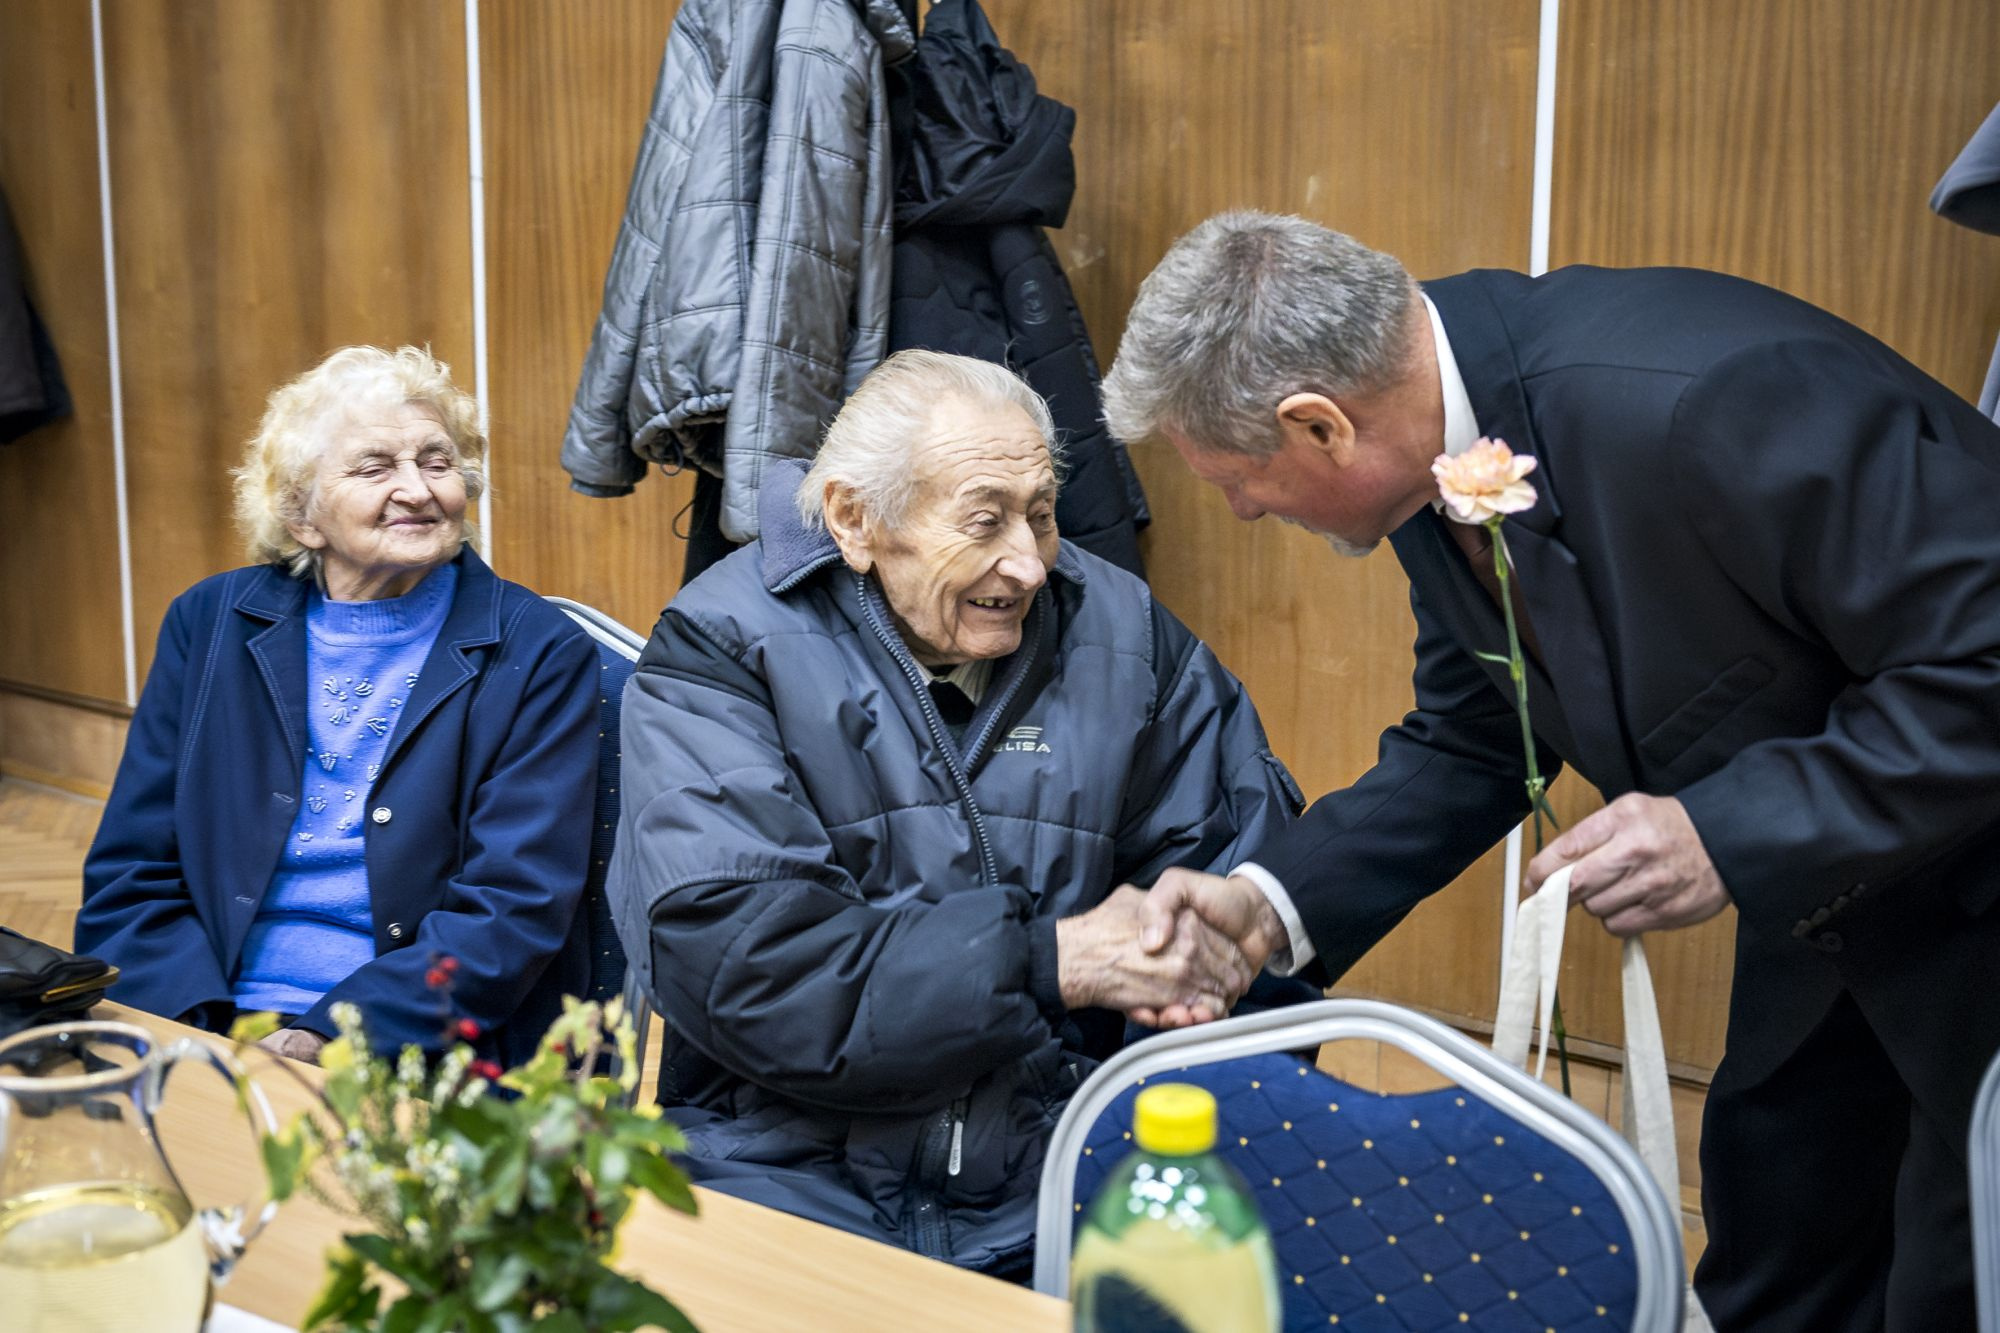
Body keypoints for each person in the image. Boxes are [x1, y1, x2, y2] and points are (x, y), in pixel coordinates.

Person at [1100, 212, 2000, 1332]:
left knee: (1951, 1288)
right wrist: (1266, 906)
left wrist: (1721, 832)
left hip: (1971, 897)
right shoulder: (1434, 466)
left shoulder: (1702, 398)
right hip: (1831, 910)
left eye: (1238, 480)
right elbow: (1475, 734)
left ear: (1318, 424)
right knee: (1774, 1276)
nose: (1243, 511)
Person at [608, 349, 1309, 1276]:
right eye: (985, 520)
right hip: (787, 1171)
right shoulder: (723, 651)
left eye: (1042, 514)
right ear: (856, 519)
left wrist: (1157, 1114)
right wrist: (1049, 962)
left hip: (1065, 1167)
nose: (1027, 563)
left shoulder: (1127, 639)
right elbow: (755, 969)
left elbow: (1240, 915)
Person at [76, 346, 599, 1067]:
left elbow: (513, 906)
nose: (417, 489)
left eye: (437, 462)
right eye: (374, 468)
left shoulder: (537, 649)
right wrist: (196, 1029)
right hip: (204, 1004)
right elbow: (133, 871)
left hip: (408, 1036)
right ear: (301, 515)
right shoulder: (210, 623)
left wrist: (327, 1037)